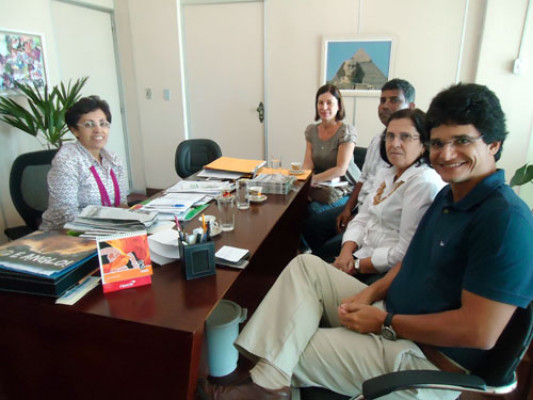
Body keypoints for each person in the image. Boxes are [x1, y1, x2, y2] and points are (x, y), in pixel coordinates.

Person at [197, 83, 533, 400]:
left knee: (288, 345)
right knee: (306, 266)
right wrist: (370, 294)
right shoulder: (450, 196)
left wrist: (386, 322)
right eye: (438, 143)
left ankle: (265, 388)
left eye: (461, 141)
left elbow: (479, 332)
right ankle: (268, 388)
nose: (446, 154)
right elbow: (408, 261)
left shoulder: (504, 219)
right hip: (392, 314)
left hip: (423, 357)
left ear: (493, 144)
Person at [303, 79, 415, 260]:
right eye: (382, 100)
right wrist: (348, 209)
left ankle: (323, 261)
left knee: (322, 238)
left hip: (371, 212)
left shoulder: (413, 151)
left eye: (394, 100)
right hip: (361, 207)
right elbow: (364, 178)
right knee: (312, 225)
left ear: (410, 106)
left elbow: (343, 170)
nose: (385, 106)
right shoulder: (377, 139)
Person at [332, 108, 444, 282]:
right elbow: (362, 218)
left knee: (306, 269)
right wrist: (346, 252)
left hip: (386, 273)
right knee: (308, 264)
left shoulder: (423, 183)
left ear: (424, 144)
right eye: (390, 136)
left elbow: (404, 252)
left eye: (405, 137)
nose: (394, 144)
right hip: (361, 253)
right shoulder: (386, 172)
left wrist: (355, 265)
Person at [40, 96, 129, 231]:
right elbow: (65, 216)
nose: (98, 130)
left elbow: (121, 204)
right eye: (89, 125)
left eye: (103, 124)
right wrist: (108, 226)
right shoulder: (67, 160)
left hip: (109, 230)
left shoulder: (113, 159)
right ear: (75, 130)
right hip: (67, 235)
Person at [302, 84, 361, 215]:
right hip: (323, 185)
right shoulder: (311, 130)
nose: (324, 107)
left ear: (338, 106)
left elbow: (341, 169)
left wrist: (312, 180)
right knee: (295, 205)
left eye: (329, 103)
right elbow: (308, 164)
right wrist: (303, 181)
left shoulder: (346, 131)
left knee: (313, 210)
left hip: (348, 189)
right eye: (320, 103)